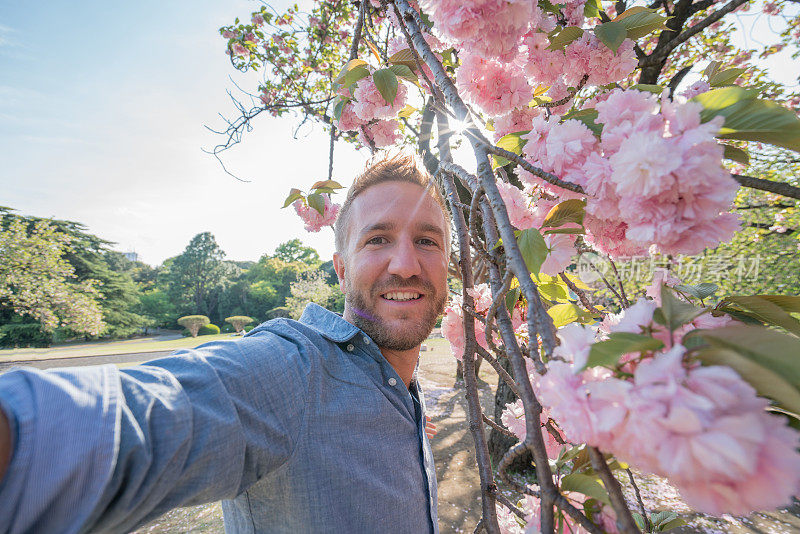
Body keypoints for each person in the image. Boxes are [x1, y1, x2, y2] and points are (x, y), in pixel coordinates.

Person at [0, 152, 452, 534]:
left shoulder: (398, 389)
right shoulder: (294, 372)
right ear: (340, 268)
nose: (407, 264)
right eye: (378, 239)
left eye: (427, 241)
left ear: (447, 266)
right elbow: (139, 418)